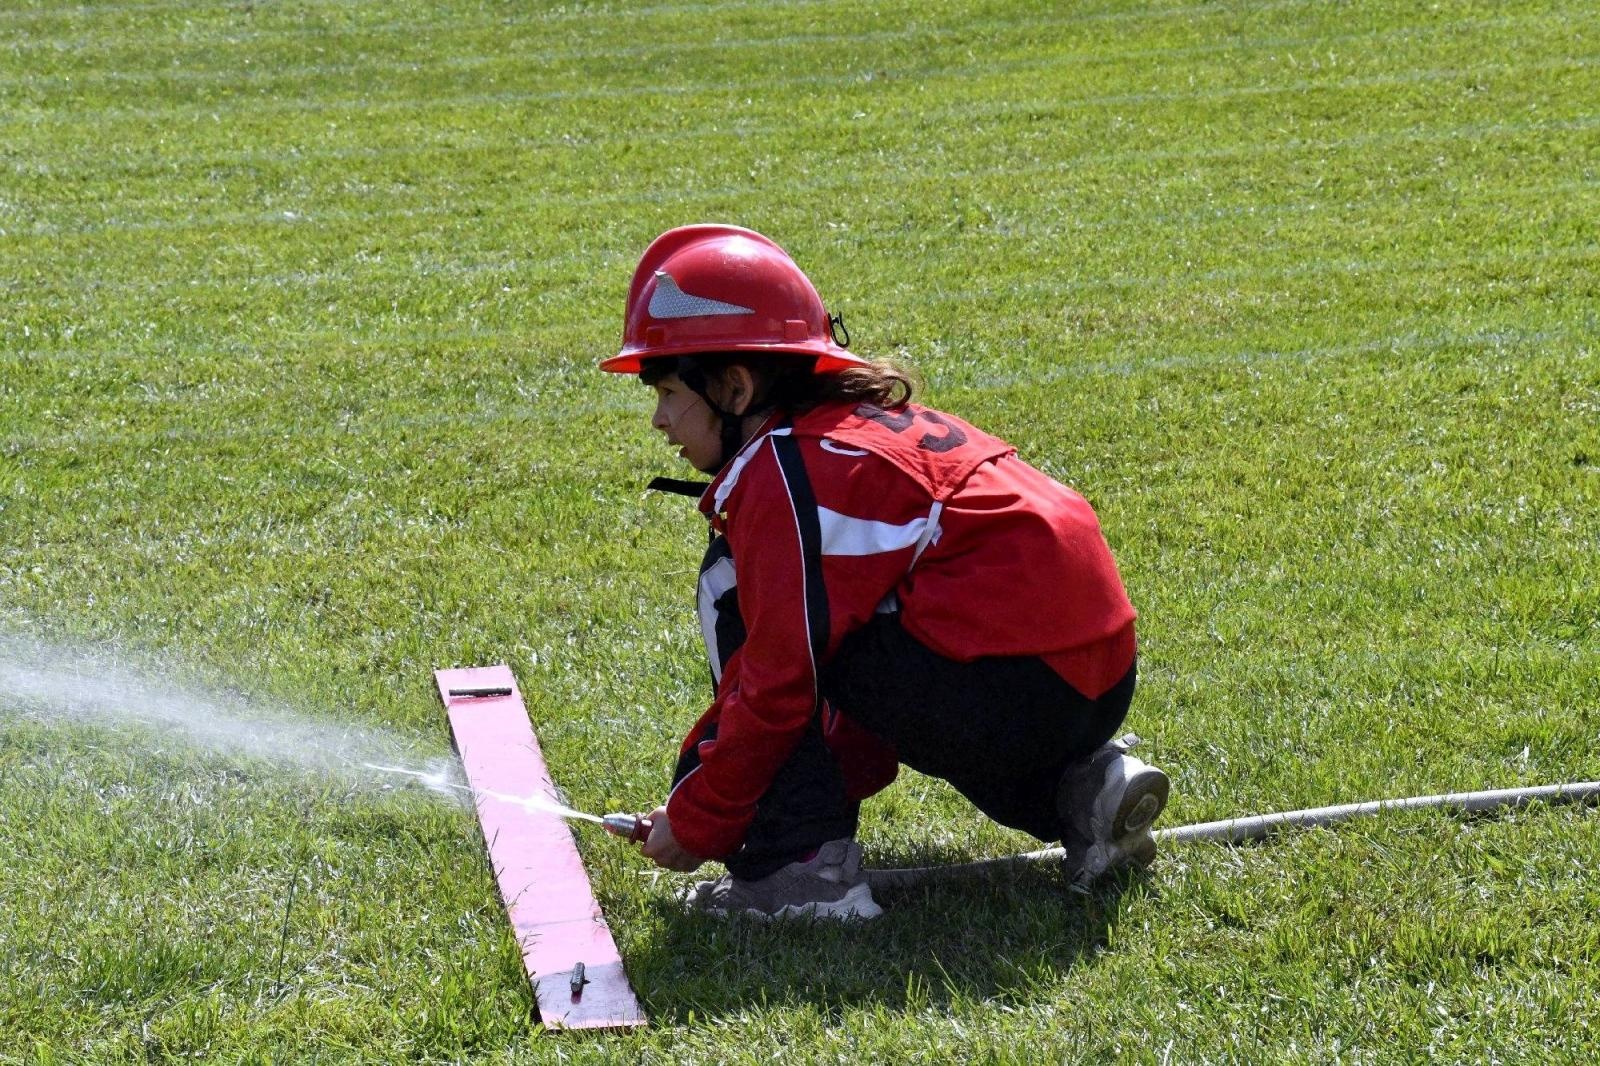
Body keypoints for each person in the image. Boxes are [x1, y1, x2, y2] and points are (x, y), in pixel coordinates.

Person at [601, 224, 1168, 920]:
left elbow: (779, 683)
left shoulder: (782, 469)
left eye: (665, 392)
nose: (658, 420)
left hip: (1013, 679)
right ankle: (1087, 792)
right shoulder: (855, 426)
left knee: (731, 585)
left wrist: (702, 815)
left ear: (735, 388)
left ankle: (800, 873)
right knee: (899, 636)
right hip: (1099, 673)